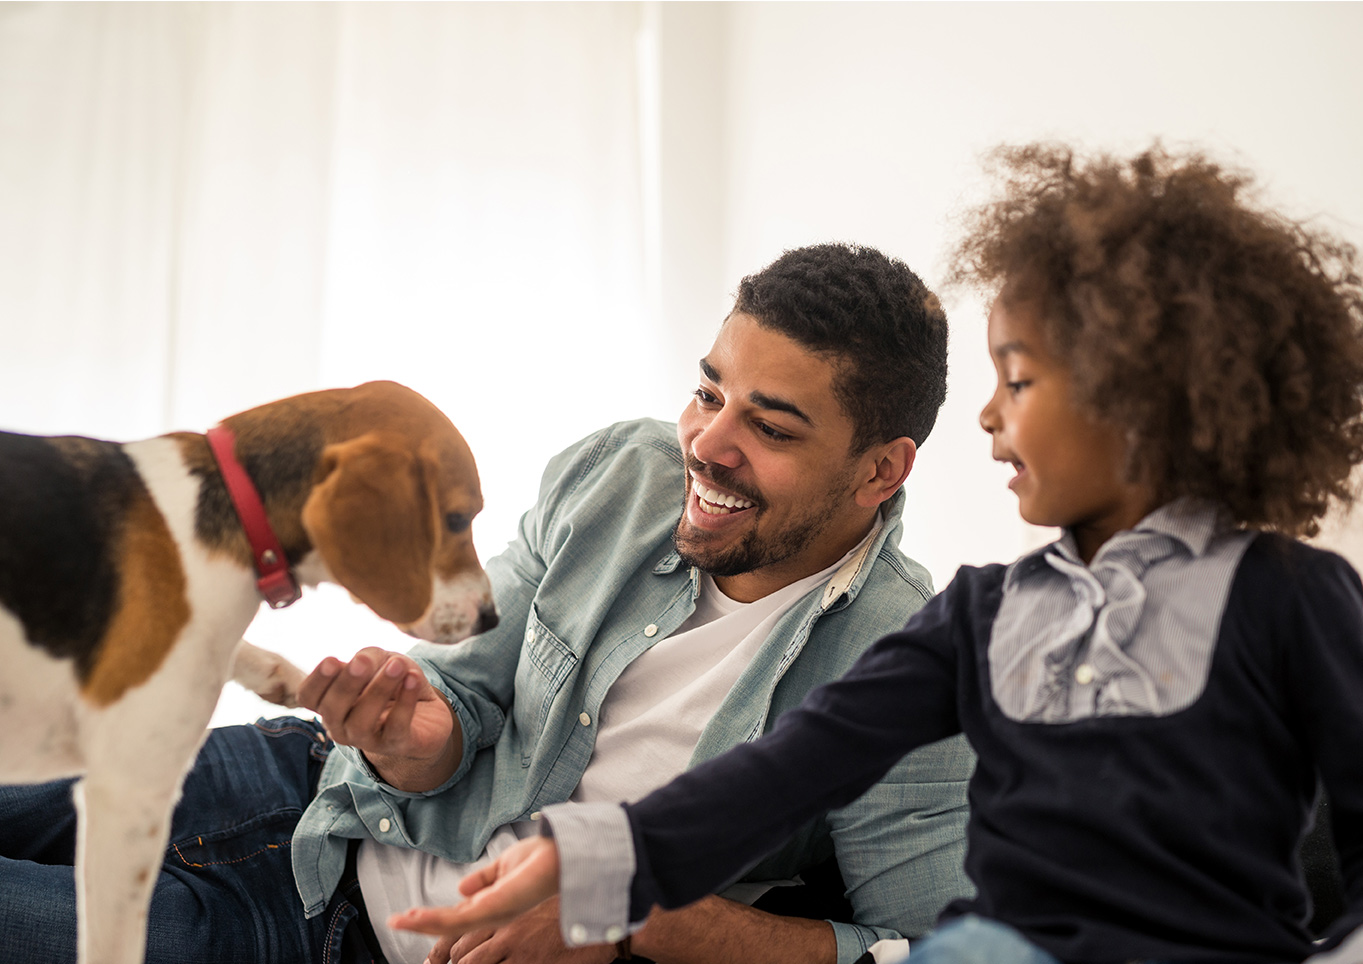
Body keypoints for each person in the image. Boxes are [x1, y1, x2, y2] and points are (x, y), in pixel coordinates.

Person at [389, 145, 1363, 964]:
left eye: (1018, 382)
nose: (984, 417)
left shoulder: (1294, 599)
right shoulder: (979, 615)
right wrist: (601, 859)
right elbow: (784, 771)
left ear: (1140, 407)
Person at [0, 243, 975, 964]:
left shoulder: (902, 665)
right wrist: (422, 735)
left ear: (879, 470)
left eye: (767, 425)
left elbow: (926, 946)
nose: (706, 443)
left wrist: (631, 912)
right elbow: (467, 695)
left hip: (325, 938)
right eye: (708, 392)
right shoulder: (619, 474)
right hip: (308, 785)